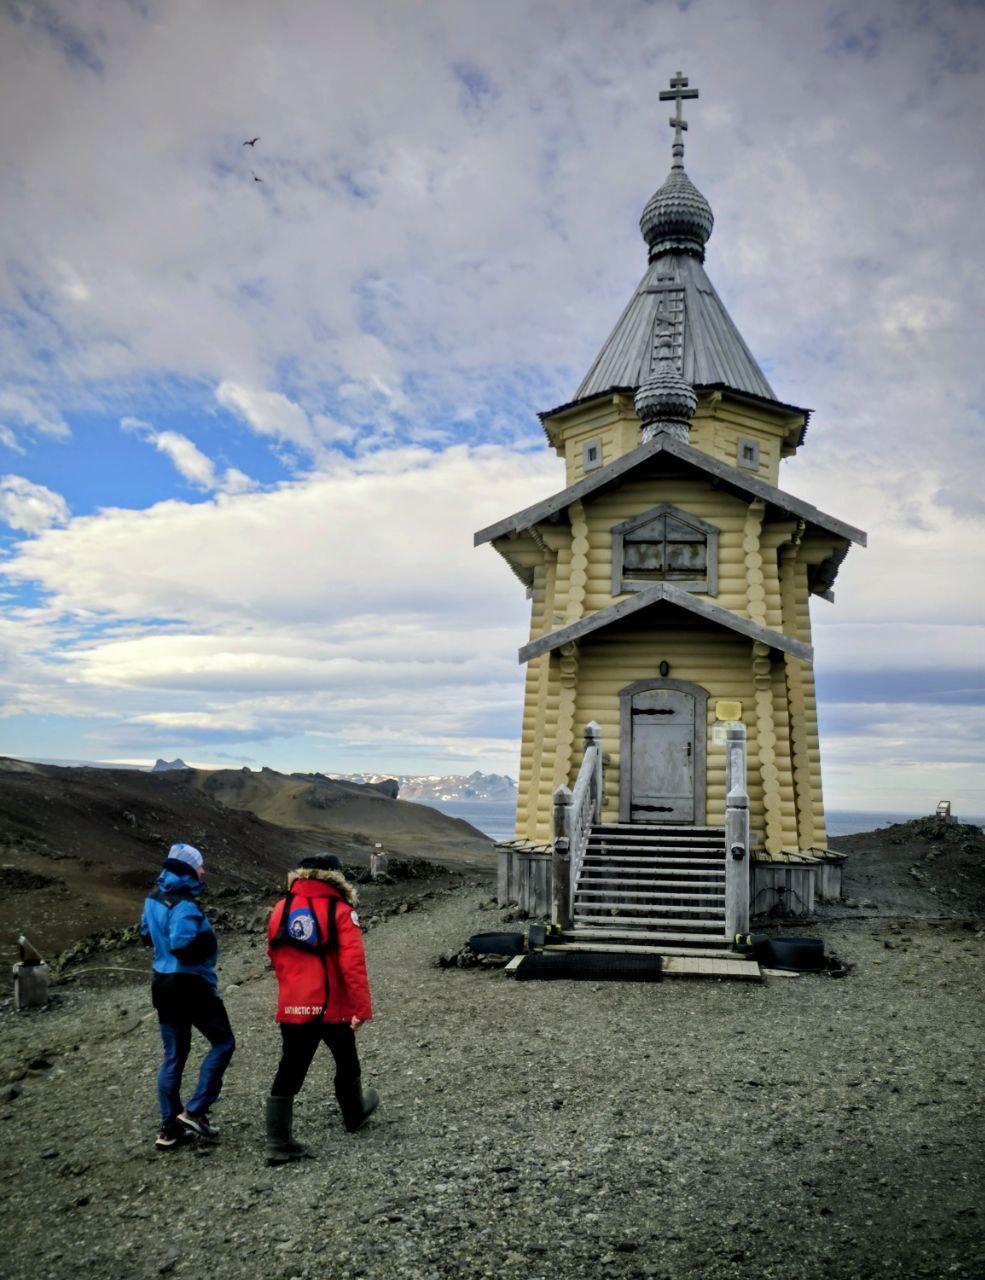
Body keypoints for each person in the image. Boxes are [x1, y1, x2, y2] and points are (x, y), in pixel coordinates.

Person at [265, 853, 378, 1161]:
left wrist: (294, 990)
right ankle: (354, 1114)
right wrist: (361, 1008)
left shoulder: (280, 908)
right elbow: (353, 964)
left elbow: (274, 954)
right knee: (346, 1058)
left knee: (291, 1065)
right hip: (330, 1006)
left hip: (293, 1004)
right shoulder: (341, 911)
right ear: (337, 877)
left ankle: (278, 1142)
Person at [141, 842, 236, 1151]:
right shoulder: (184, 904)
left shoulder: (152, 898)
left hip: (162, 984)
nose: (203, 870)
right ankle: (195, 1110)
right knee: (223, 1042)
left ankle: (169, 1130)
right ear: (187, 869)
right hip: (191, 985)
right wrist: (207, 946)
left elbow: (145, 934)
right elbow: (183, 944)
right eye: (199, 865)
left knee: (173, 1056)